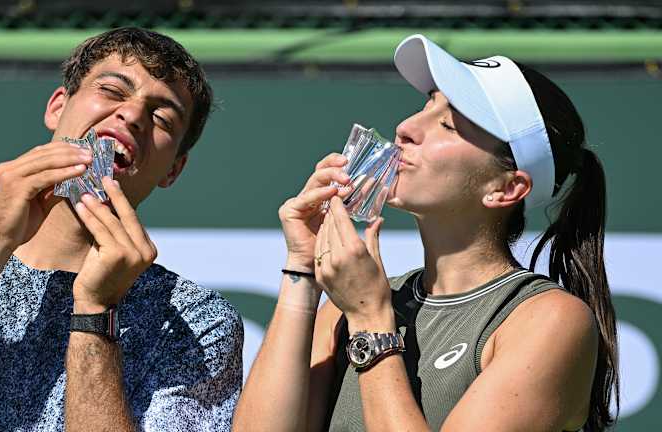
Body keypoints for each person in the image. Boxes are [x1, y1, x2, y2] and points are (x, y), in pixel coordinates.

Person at [234, 34, 618, 431]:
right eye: (425, 106)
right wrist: (302, 268)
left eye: (448, 125)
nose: (405, 128)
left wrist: (371, 322)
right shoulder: (347, 307)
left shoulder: (548, 320)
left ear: (507, 189)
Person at [0, 27, 242, 431]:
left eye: (161, 115)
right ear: (58, 108)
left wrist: (97, 309)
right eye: (113, 91)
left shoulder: (198, 322)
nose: (131, 115)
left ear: (173, 170)